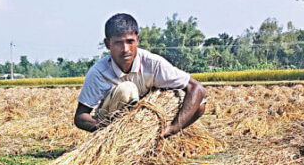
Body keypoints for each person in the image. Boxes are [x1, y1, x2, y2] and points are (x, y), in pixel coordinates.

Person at [74, 13, 207, 137]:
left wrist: (173, 128)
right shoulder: (98, 73)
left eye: (130, 41)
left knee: (199, 105)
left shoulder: (153, 64)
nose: (125, 49)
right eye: (118, 43)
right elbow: (81, 117)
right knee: (127, 89)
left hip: (146, 121)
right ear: (108, 44)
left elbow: (197, 89)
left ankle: (159, 140)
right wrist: (113, 128)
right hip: (112, 124)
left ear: (137, 40)